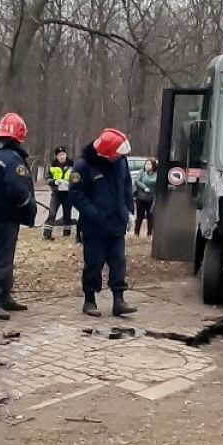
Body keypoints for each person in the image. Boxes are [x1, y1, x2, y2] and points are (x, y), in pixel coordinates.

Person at [70, 128, 138, 318]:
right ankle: (89, 300)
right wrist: (94, 214)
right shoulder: (83, 166)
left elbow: (126, 185)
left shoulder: (121, 163)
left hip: (117, 224)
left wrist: (129, 210)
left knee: (118, 263)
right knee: (93, 264)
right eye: (118, 154)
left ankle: (119, 300)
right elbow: (76, 194)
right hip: (94, 227)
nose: (121, 157)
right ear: (107, 153)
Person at [0, 113, 37, 320]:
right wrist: (28, 205)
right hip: (6, 216)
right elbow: (17, 189)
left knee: (5, 256)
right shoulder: (12, 159)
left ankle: (4, 296)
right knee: (2, 258)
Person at [43, 147, 75, 240]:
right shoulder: (52, 166)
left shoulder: (72, 165)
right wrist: (54, 181)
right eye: (59, 155)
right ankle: (46, 234)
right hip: (56, 193)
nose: (62, 157)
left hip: (68, 193)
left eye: (63, 154)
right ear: (56, 156)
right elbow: (47, 179)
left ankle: (66, 234)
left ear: (66, 154)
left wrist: (71, 182)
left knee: (67, 214)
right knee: (52, 212)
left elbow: (76, 177)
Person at [133, 158, 157, 237]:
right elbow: (137, 181)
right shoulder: (142, 172)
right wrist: (144, 187)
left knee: (150, 216)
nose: (147, 166)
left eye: (149, 164)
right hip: (141, 198)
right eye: (146, 164)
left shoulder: (156, 174)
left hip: (151, 198)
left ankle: (149, 233)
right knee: (140, 216)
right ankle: (136, 233)